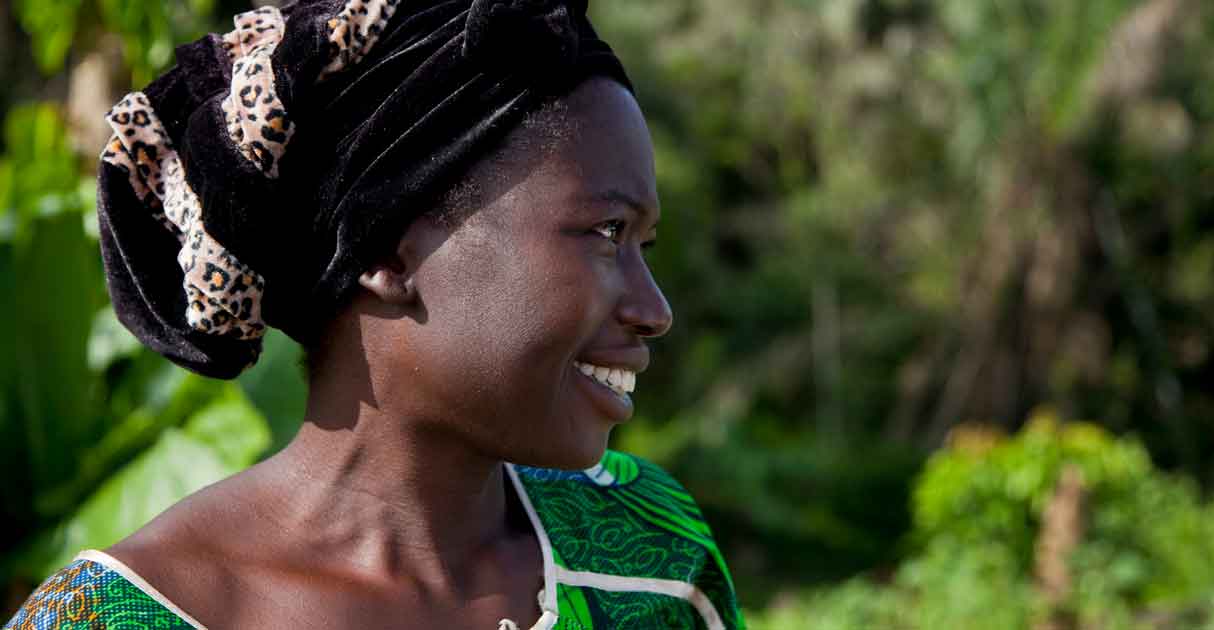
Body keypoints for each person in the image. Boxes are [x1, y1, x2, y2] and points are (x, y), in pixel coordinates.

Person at [3, 0, 743, 628]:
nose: (655, 310)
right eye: (608, 233)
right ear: (388, 248)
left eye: (645, 244)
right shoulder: (118, 615)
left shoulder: (648, 556)